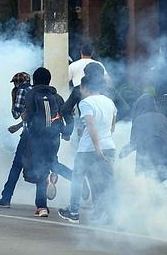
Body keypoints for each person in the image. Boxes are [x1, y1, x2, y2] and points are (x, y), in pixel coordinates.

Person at [59, 74, 117, 224]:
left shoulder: (86, 103)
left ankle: (73, 211)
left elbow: (91, 126)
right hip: (109, 146)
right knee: (106, 182)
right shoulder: (109, 102)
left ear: (84, 87)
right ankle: (110, 215)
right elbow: (112, 125)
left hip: (88, 149)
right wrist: (105, 141)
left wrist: (97, 148)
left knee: (77, 179)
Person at [22, 67, 73, 217]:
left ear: (35, 80)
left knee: (41, 169)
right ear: (49, 80)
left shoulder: (31, 94)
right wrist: (66, 132)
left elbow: (29, 115)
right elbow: (67, 115)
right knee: (52, 163)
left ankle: (42, 207)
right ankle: (76, 178)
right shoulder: (56, 96)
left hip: (37, 138)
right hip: (54, 138)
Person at [0, 72, 33, 208]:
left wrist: (13, 98)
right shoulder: (34, 91)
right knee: (48, 163)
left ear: (17, 83)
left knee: (17, 165)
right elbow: (31, 115)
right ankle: (74, 178)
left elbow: (16, 114)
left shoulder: (21, 91)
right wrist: (18, 126)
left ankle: (6, 197)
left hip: (28, 134)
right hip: (41, 133)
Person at [119, 94, 167, 181]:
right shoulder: (162, 117)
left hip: (153, 157)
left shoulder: (139, 120)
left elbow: (134, 143)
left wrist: (123, 153)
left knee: (153, 181)